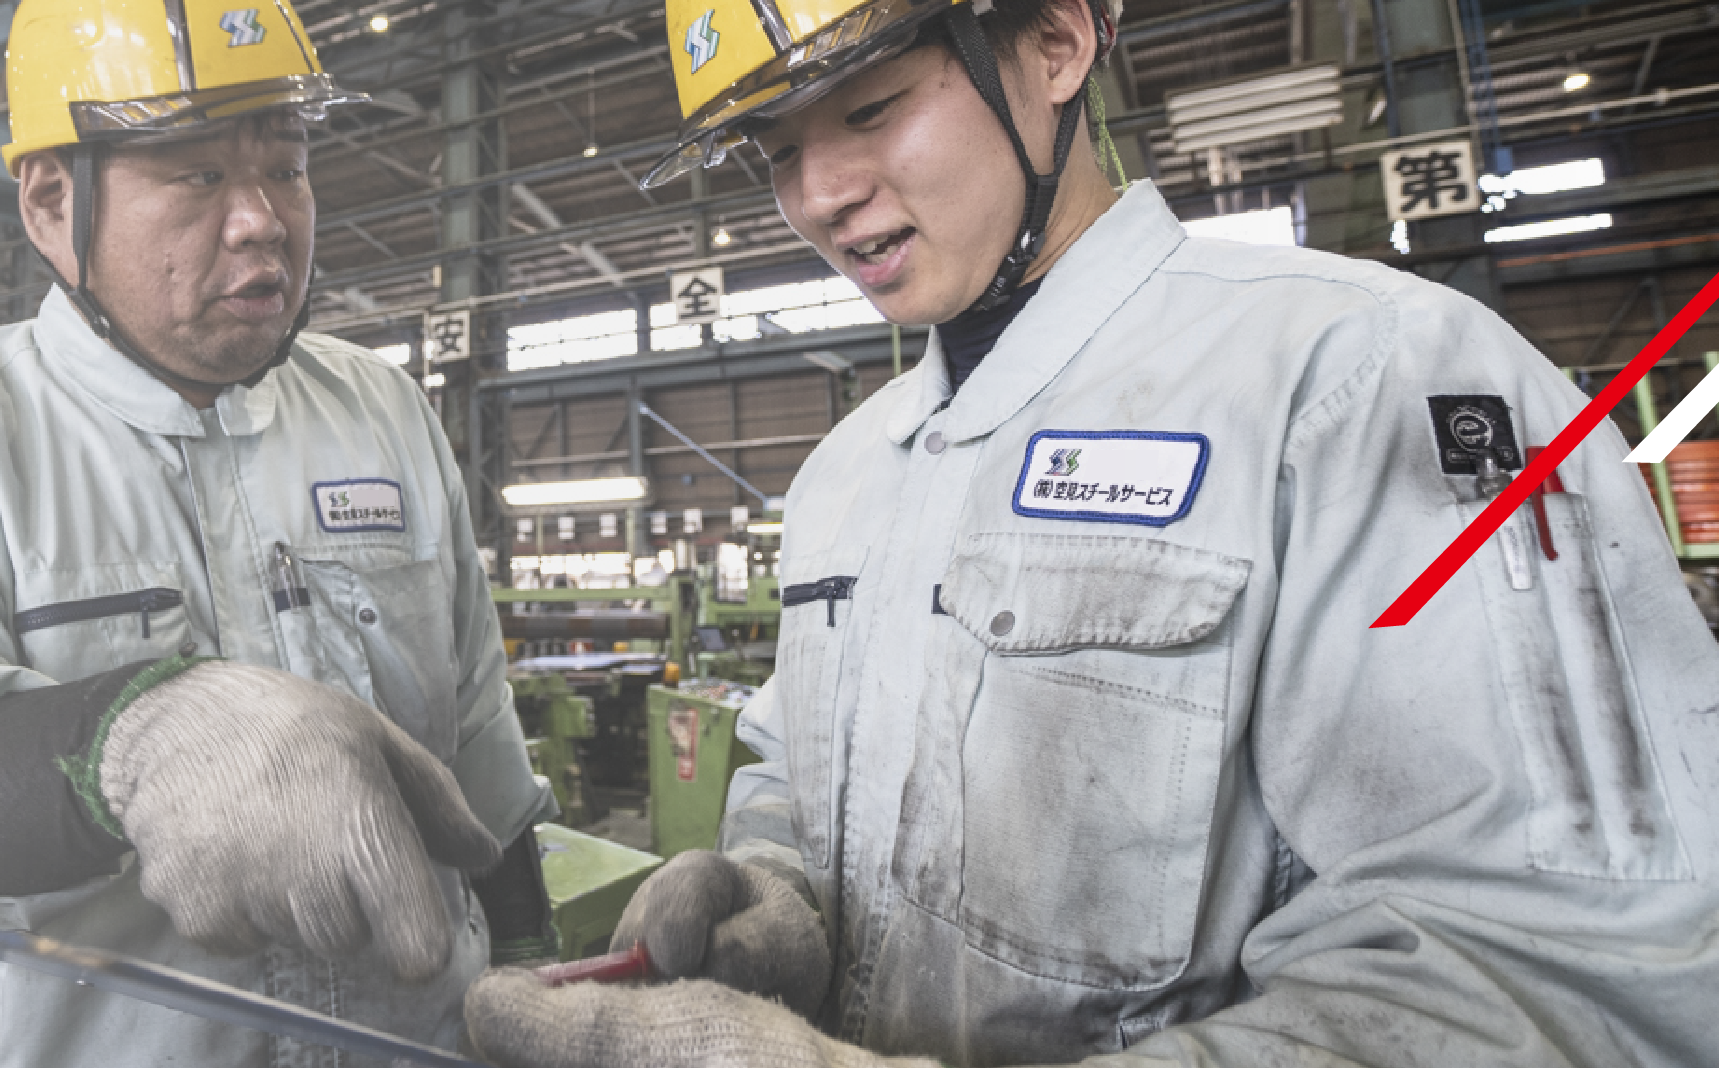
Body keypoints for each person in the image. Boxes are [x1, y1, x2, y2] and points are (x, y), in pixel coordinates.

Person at [464, 1, 1719, 1065]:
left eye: (867, 110)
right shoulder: (851, 468)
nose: (821, 195)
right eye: (772, 151)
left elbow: (1561, 978)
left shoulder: (1367, 379)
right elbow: (801, 774)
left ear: (1057, 43)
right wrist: (782, 898)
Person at [0, 1, 557, 1066]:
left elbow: (482, 765)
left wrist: (537, 976)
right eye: (196, 175)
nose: (262, 218)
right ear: (51, 202)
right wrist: (114, 747)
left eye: (286, 166)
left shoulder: (383, 414)